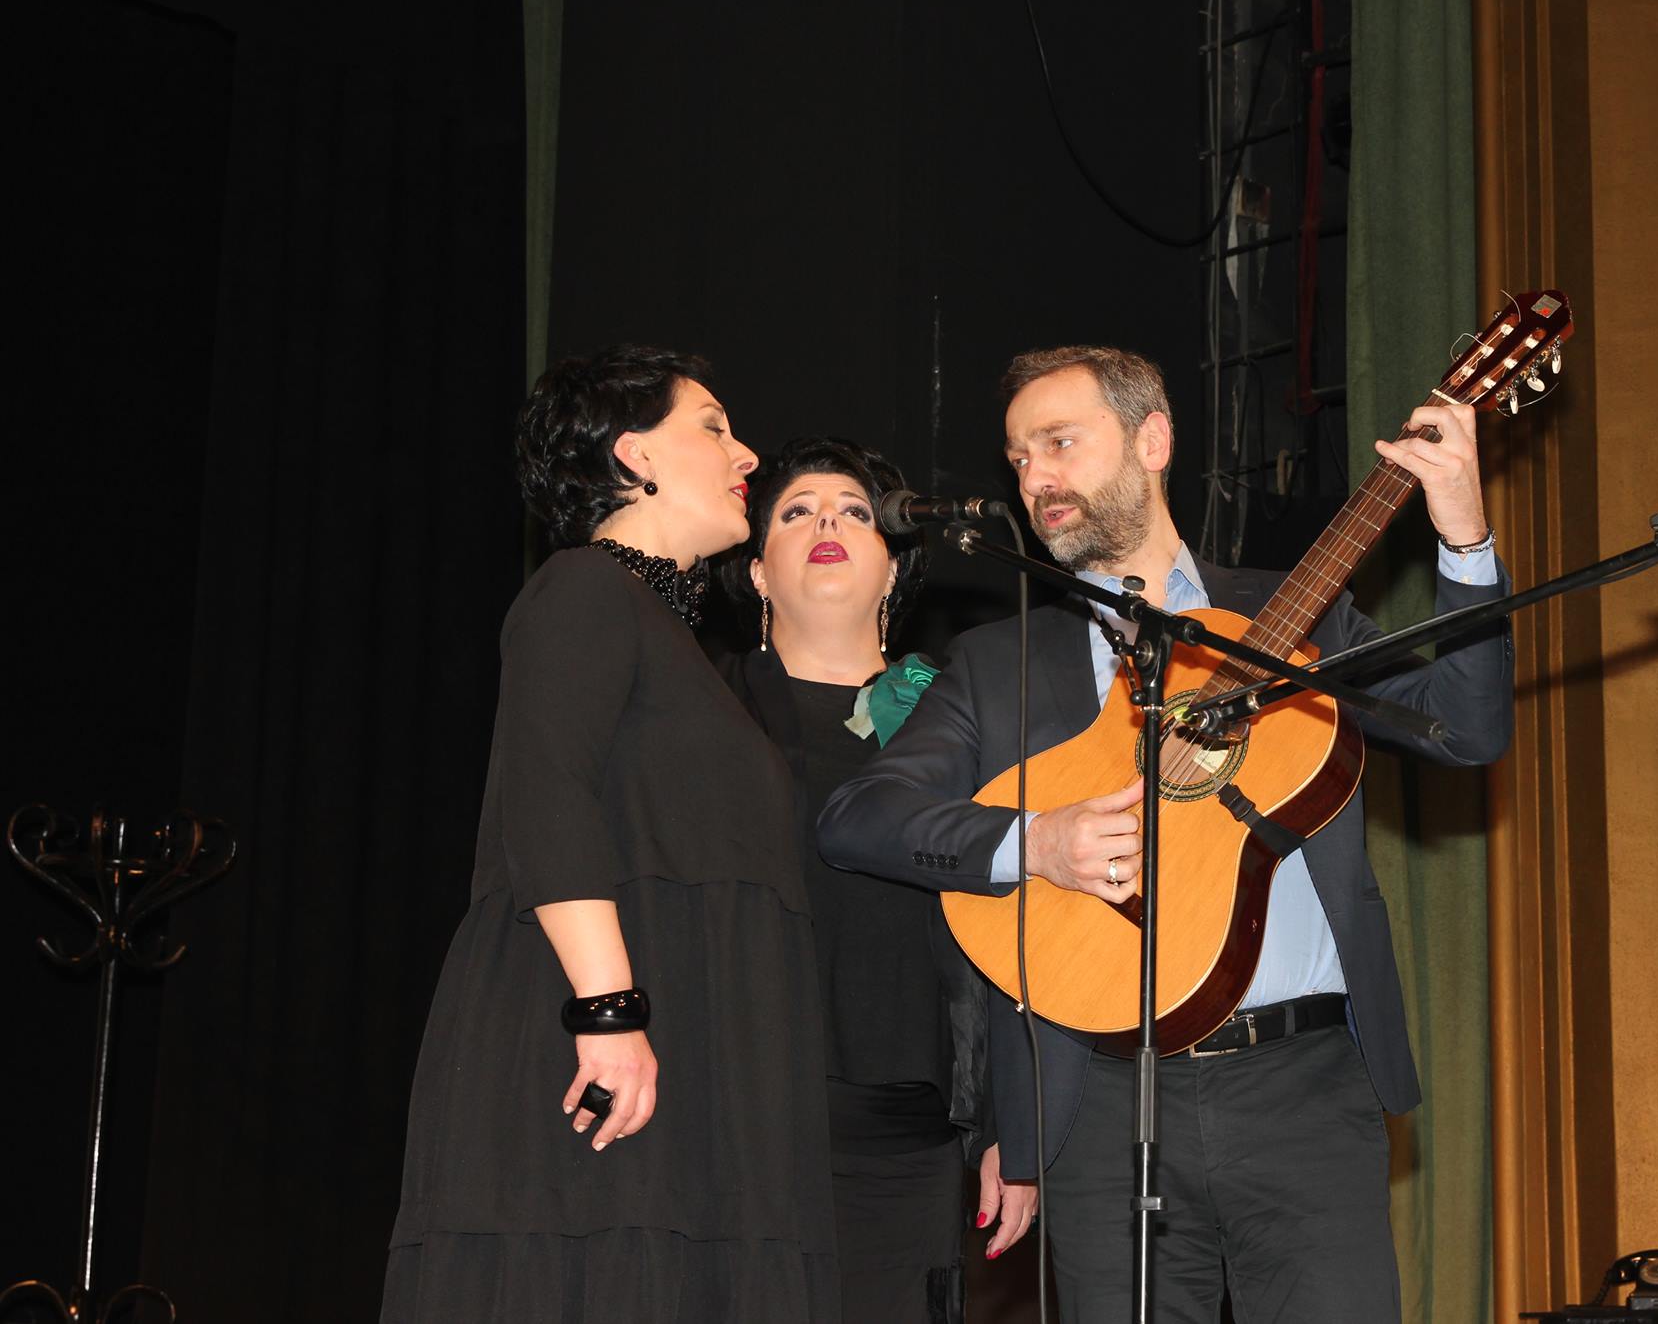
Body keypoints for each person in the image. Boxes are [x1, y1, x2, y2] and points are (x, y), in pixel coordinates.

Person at [817, 345, 1513, 1322]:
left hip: (1305, 1092)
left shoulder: (1296, 615)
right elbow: (857, 818)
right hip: (1100, 1101)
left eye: (1059, 442)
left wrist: (1464, 539)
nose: (1035, 476)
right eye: (1018, 457)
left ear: (1152, 440)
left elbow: (1466, 729)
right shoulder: (998, 664)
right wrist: (1037, 841)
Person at [383, 346, 837, 1322]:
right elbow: (546, 796)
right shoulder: (582, 588)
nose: (746, 453)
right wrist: (608, 1014)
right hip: (598, 1030)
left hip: (686, 1039)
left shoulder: (678, 643)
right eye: (713, 427)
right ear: (634, 454)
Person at [716, 437, 1037, 1324]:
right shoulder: (706, 709)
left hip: (906, 1139)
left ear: (893, 570)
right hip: (737, 1121)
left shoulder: (962, 722)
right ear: (757, 571)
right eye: (797, 511)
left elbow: (1013, 929)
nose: (827, 520)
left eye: (855, 512)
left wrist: (1007, 1123)